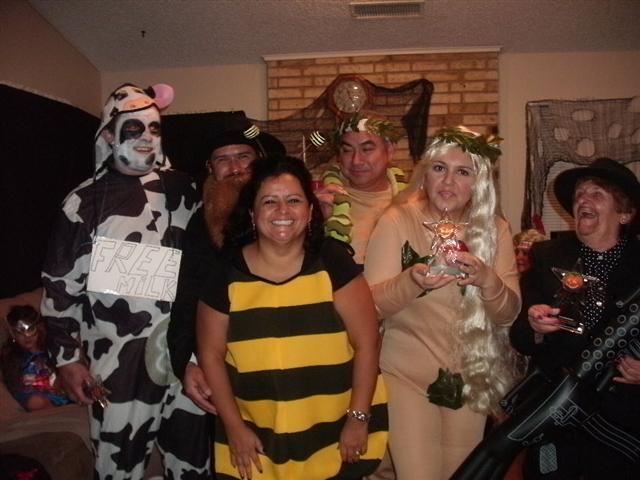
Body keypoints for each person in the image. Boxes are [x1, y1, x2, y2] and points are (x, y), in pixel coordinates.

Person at [40, 83, 210, 479]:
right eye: (134, 128)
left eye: (154, 128)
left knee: (193, 466)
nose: (147, 137)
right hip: (118, 365)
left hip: (187, 356)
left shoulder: (188, 191)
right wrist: (67, 359)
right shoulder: (83, 203)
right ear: (108, 135)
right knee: (118, 469)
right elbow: (60, 285)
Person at [196, 155, 388, 479]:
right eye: (269, 201)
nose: (282, 211)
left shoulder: (334, 263)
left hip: (334, 429)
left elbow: (367, 343)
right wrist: (234, 427)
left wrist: (358, 418)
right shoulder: (225, 273)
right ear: (252, 213)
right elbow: (210, 356)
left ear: (310, 211)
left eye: (294, 200)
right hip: (255, 434)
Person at [364, 126, 521, 479]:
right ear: (426, 173)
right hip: (405, 375)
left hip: (470, 378)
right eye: (439, 168)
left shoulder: (495, 229)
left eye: (462, 172)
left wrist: (488, 279)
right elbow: (370, 306)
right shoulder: (397, 220)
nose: (448, 181)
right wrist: (411, 281)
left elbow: (509, 315)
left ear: (478, 182)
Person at [510, 157, 640, 479]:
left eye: (597, 194)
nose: (583, 199)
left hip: (622, 427)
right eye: (580, 194)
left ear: (624, 213)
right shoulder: (547, 256)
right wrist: (535, 326)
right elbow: (520, 337)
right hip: (557, 412)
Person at [168, 119, 285, 413]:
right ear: (210, 168)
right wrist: (185, 362)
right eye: (223, 159)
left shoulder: (290, 214)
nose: (234, 167)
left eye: (243, 156)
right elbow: (187, 294)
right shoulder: (199, 226)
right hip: (226, 364)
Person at [317, 111, 407, 264]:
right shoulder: (325, 200)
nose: (356, 161)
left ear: (390, 151)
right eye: (347, 150)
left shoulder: (413, 201)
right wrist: (317, 224)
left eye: (367, 150)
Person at [0, 305, 71, 411]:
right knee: (36, 402)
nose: (27, 336)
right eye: (20, 332)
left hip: (58, 389)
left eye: (31, 329)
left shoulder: (50, 349)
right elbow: (13, 382)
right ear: (13, 333)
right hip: (31, 393)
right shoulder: (11, 357)